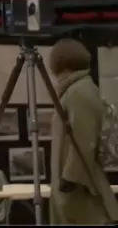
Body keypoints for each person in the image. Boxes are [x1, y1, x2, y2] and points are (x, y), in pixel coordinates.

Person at [48, 38, 118, 225]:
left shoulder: (79, 91)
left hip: (79, 188)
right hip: (74, 187)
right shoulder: (75, 90)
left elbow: (84, 137)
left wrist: (70, 178)